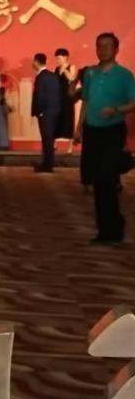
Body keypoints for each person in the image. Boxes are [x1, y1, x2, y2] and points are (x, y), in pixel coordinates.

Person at [79, 32, 135, 244]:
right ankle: (106, 229)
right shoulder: (90, 73)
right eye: (99, 46)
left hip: (112, 131)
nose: (102, 50)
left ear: (116, 49)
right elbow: (86, 101)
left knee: (107, 179)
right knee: (97, 182)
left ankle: (113, 229)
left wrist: (116, 109)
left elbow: (134, 102)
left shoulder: (124, 75)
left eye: (107, 46)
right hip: (92, 131)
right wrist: (79, 127)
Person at [31, 53, 61, 173]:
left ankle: (47, 165)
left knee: (46, 139)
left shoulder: (41, 77)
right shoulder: (53, 75)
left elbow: (40, 96)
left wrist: (40, 111)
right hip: (54, 112)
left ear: (36, 62)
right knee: (49, 139)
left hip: (45, 113)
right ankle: (48, 163)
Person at [55, 48, 77, 147]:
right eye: (57, 58)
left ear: (66, 57)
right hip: (58, 97)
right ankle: (54, 144)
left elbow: (72, 78)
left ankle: (70, 146)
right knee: (56, 119)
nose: (58, 60)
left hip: (67, 97)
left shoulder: (72, 67)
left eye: (59, 58)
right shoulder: (57, 69)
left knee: (68, 119)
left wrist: (64, 70)